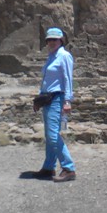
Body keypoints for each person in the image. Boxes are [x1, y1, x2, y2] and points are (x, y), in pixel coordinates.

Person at [33, 27, 76, 182]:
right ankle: (48, 167)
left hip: (58, 99)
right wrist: (39, 98)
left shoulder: (64, 56)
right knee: (49, 135)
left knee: (52, 135)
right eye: (49, 40)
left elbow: (67, 79)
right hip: (47, 99)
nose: (51, 42)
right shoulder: (51, 56)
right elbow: (47, 80)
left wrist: (67, 101)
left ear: (61, 40)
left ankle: (68, 168)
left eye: (54, 39)